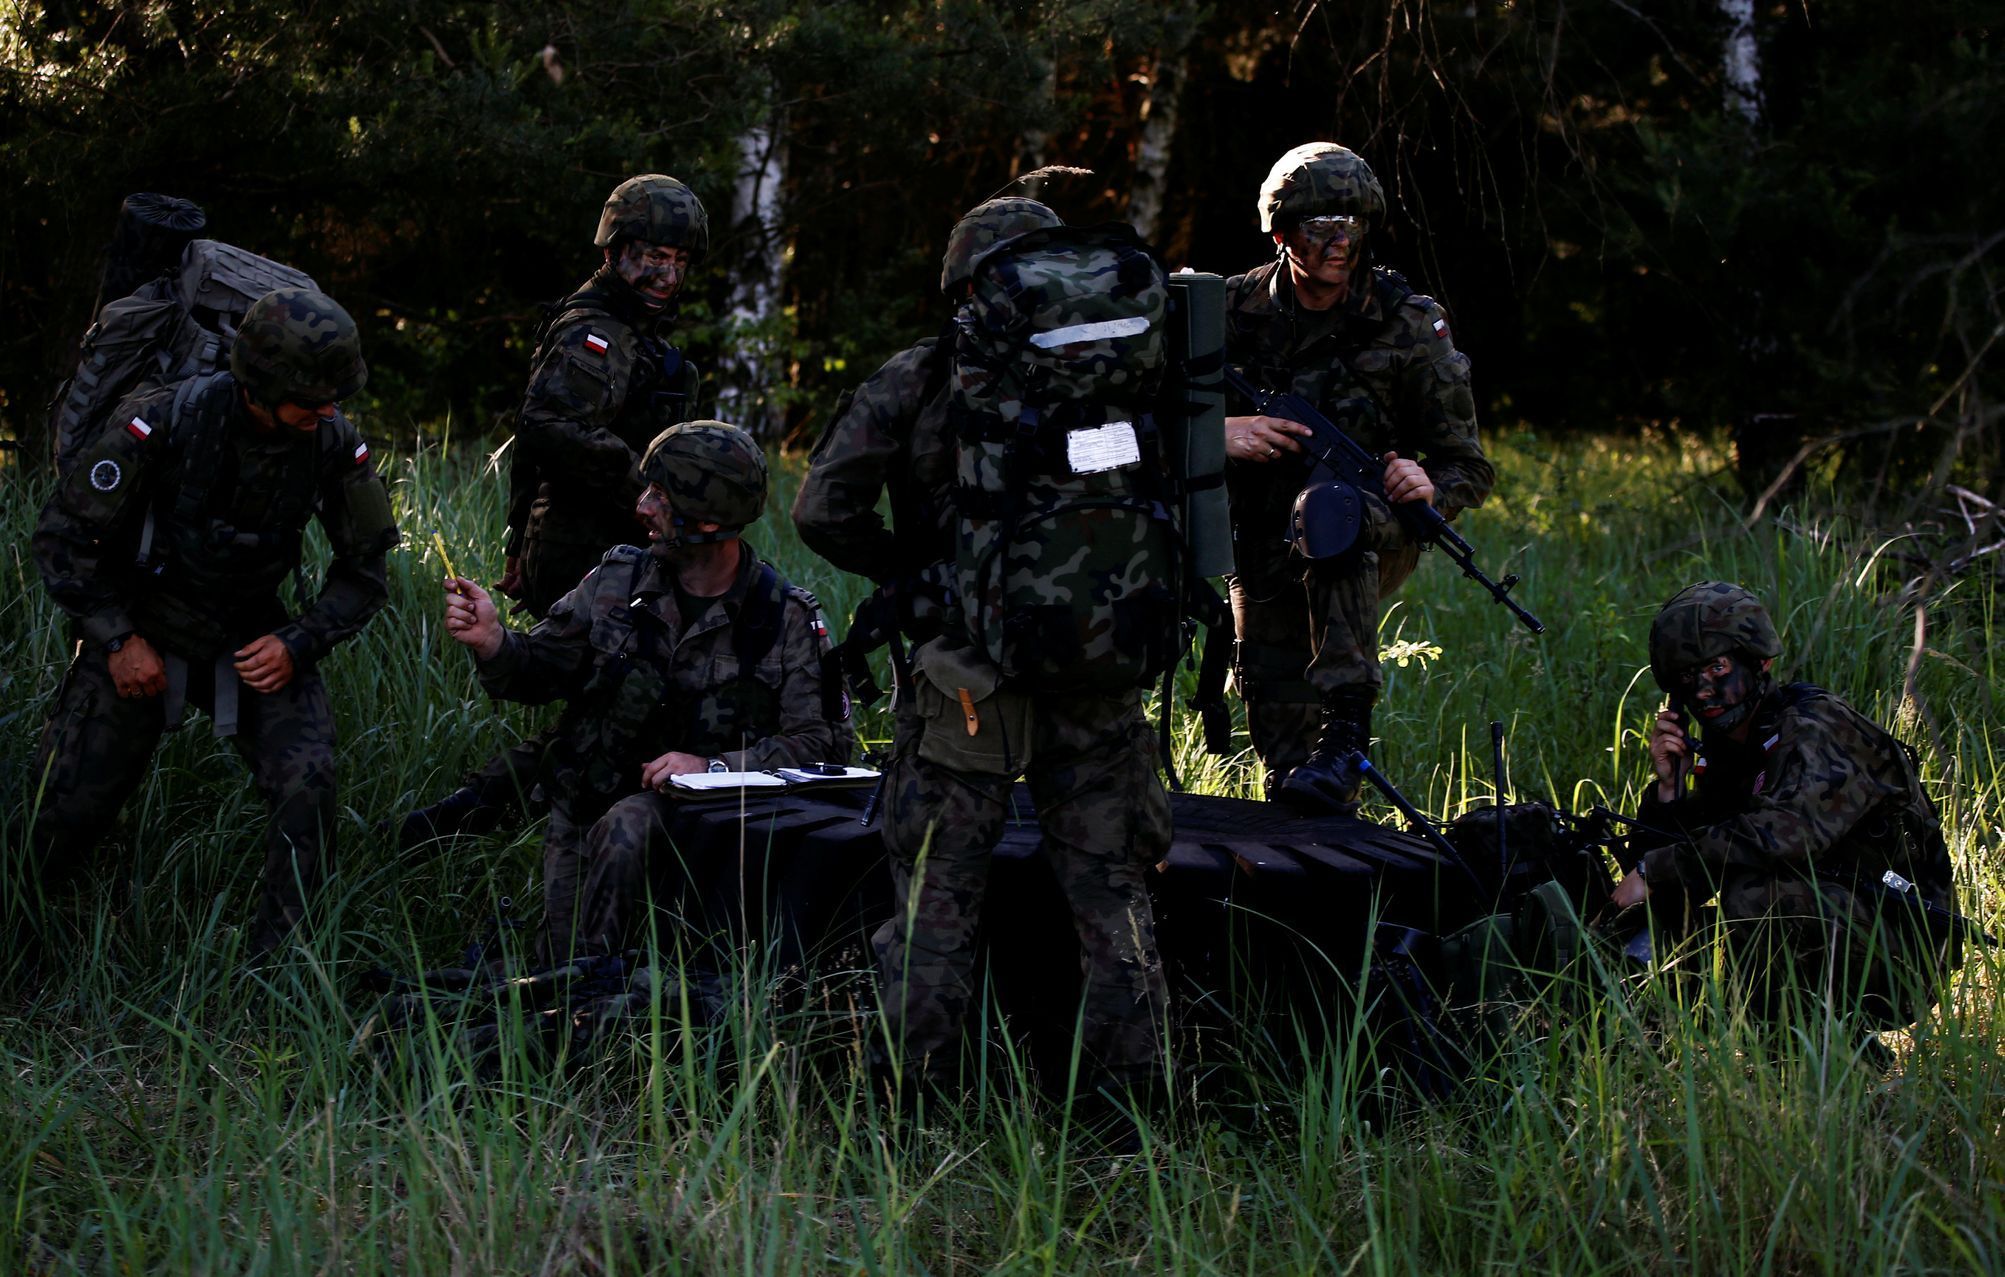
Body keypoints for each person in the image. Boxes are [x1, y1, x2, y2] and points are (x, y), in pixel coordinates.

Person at [794, 197, 1172, 1105]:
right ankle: (1135, 1117)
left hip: (966, 678)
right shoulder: (1133, 383)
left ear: (963, 283)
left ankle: (904, 1109)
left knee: (936, 900)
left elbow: (819, 510)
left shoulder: (920, 379)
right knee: (1111, 900)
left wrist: (920, 577)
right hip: (1101, 663)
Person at [22, 287, 399, 958]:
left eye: (333, 399)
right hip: (143, 629)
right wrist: (115, 637)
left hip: (254, 634)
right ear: (259, 385)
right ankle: (23, 940)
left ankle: (283, 971)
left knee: (307, 780)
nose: (328, 412)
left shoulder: (331, 440)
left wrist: (298, 640)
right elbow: (62, 537)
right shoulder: (162, 422)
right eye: (310, 401)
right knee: (64, 805)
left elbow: (366, 569)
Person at [444, 421, 848, 962]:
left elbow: (825, 747)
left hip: (715, 836)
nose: (642, 506)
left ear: (707, 517)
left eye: (661, 495)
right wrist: (494, 642)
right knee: (567, 973)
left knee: (684, 975)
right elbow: (543, 669)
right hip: (590, 810)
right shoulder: (619, 578)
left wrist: (715, 768)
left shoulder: (785, 619)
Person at [401, 173, 709, 847]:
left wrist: (516, 543)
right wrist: (656, 494)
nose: (667, 273)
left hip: (608, 544)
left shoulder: (633, 328)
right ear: (615, 248)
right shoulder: (596, 332)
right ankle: (485, 823)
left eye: (680, 260)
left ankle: (468, 820)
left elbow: (532, 439)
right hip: (589, 548)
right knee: (614, 714)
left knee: (612, 712)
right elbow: (550, 429)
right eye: (653, 255)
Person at [1223, 142, 1494, 811]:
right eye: (1321, 228)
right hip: (1260, 539)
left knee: (1331, 509)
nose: (1341, 243)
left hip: (1366, 525)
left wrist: (1427, 483)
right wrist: (1218, 434)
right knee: (1288, 759)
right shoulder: (1228, 312)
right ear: (1282, 232)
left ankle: (1348, 725)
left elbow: (1467, 466)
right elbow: (1130, 419)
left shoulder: (1406, 321)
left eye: (1354, 227)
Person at [1611, 581, 1961, 1029]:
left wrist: (1656, 871)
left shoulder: (1816, 727)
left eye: (1717, 667)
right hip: (1843, 922)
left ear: (1760, 662)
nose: (1701, 690)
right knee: (1680, 922)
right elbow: (1675, 881)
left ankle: (1824, 1051)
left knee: (1753, 896)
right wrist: (1668, 790)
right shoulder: (1734, 748)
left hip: (1906, 951)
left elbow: (1784, 835)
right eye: (1686, 677)